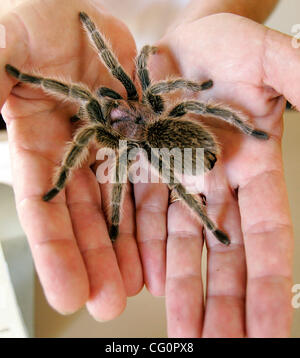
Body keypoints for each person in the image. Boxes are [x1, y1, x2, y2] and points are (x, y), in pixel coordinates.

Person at [0, 0, 295, 337]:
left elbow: (133, 72)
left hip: (171, 107)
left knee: (149, 130)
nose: (112, 106)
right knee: (184, 106)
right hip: (161, 120)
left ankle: (217, 205)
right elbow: (143, 69)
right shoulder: (143, 100)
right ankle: (242, 142)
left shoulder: (121, 127)